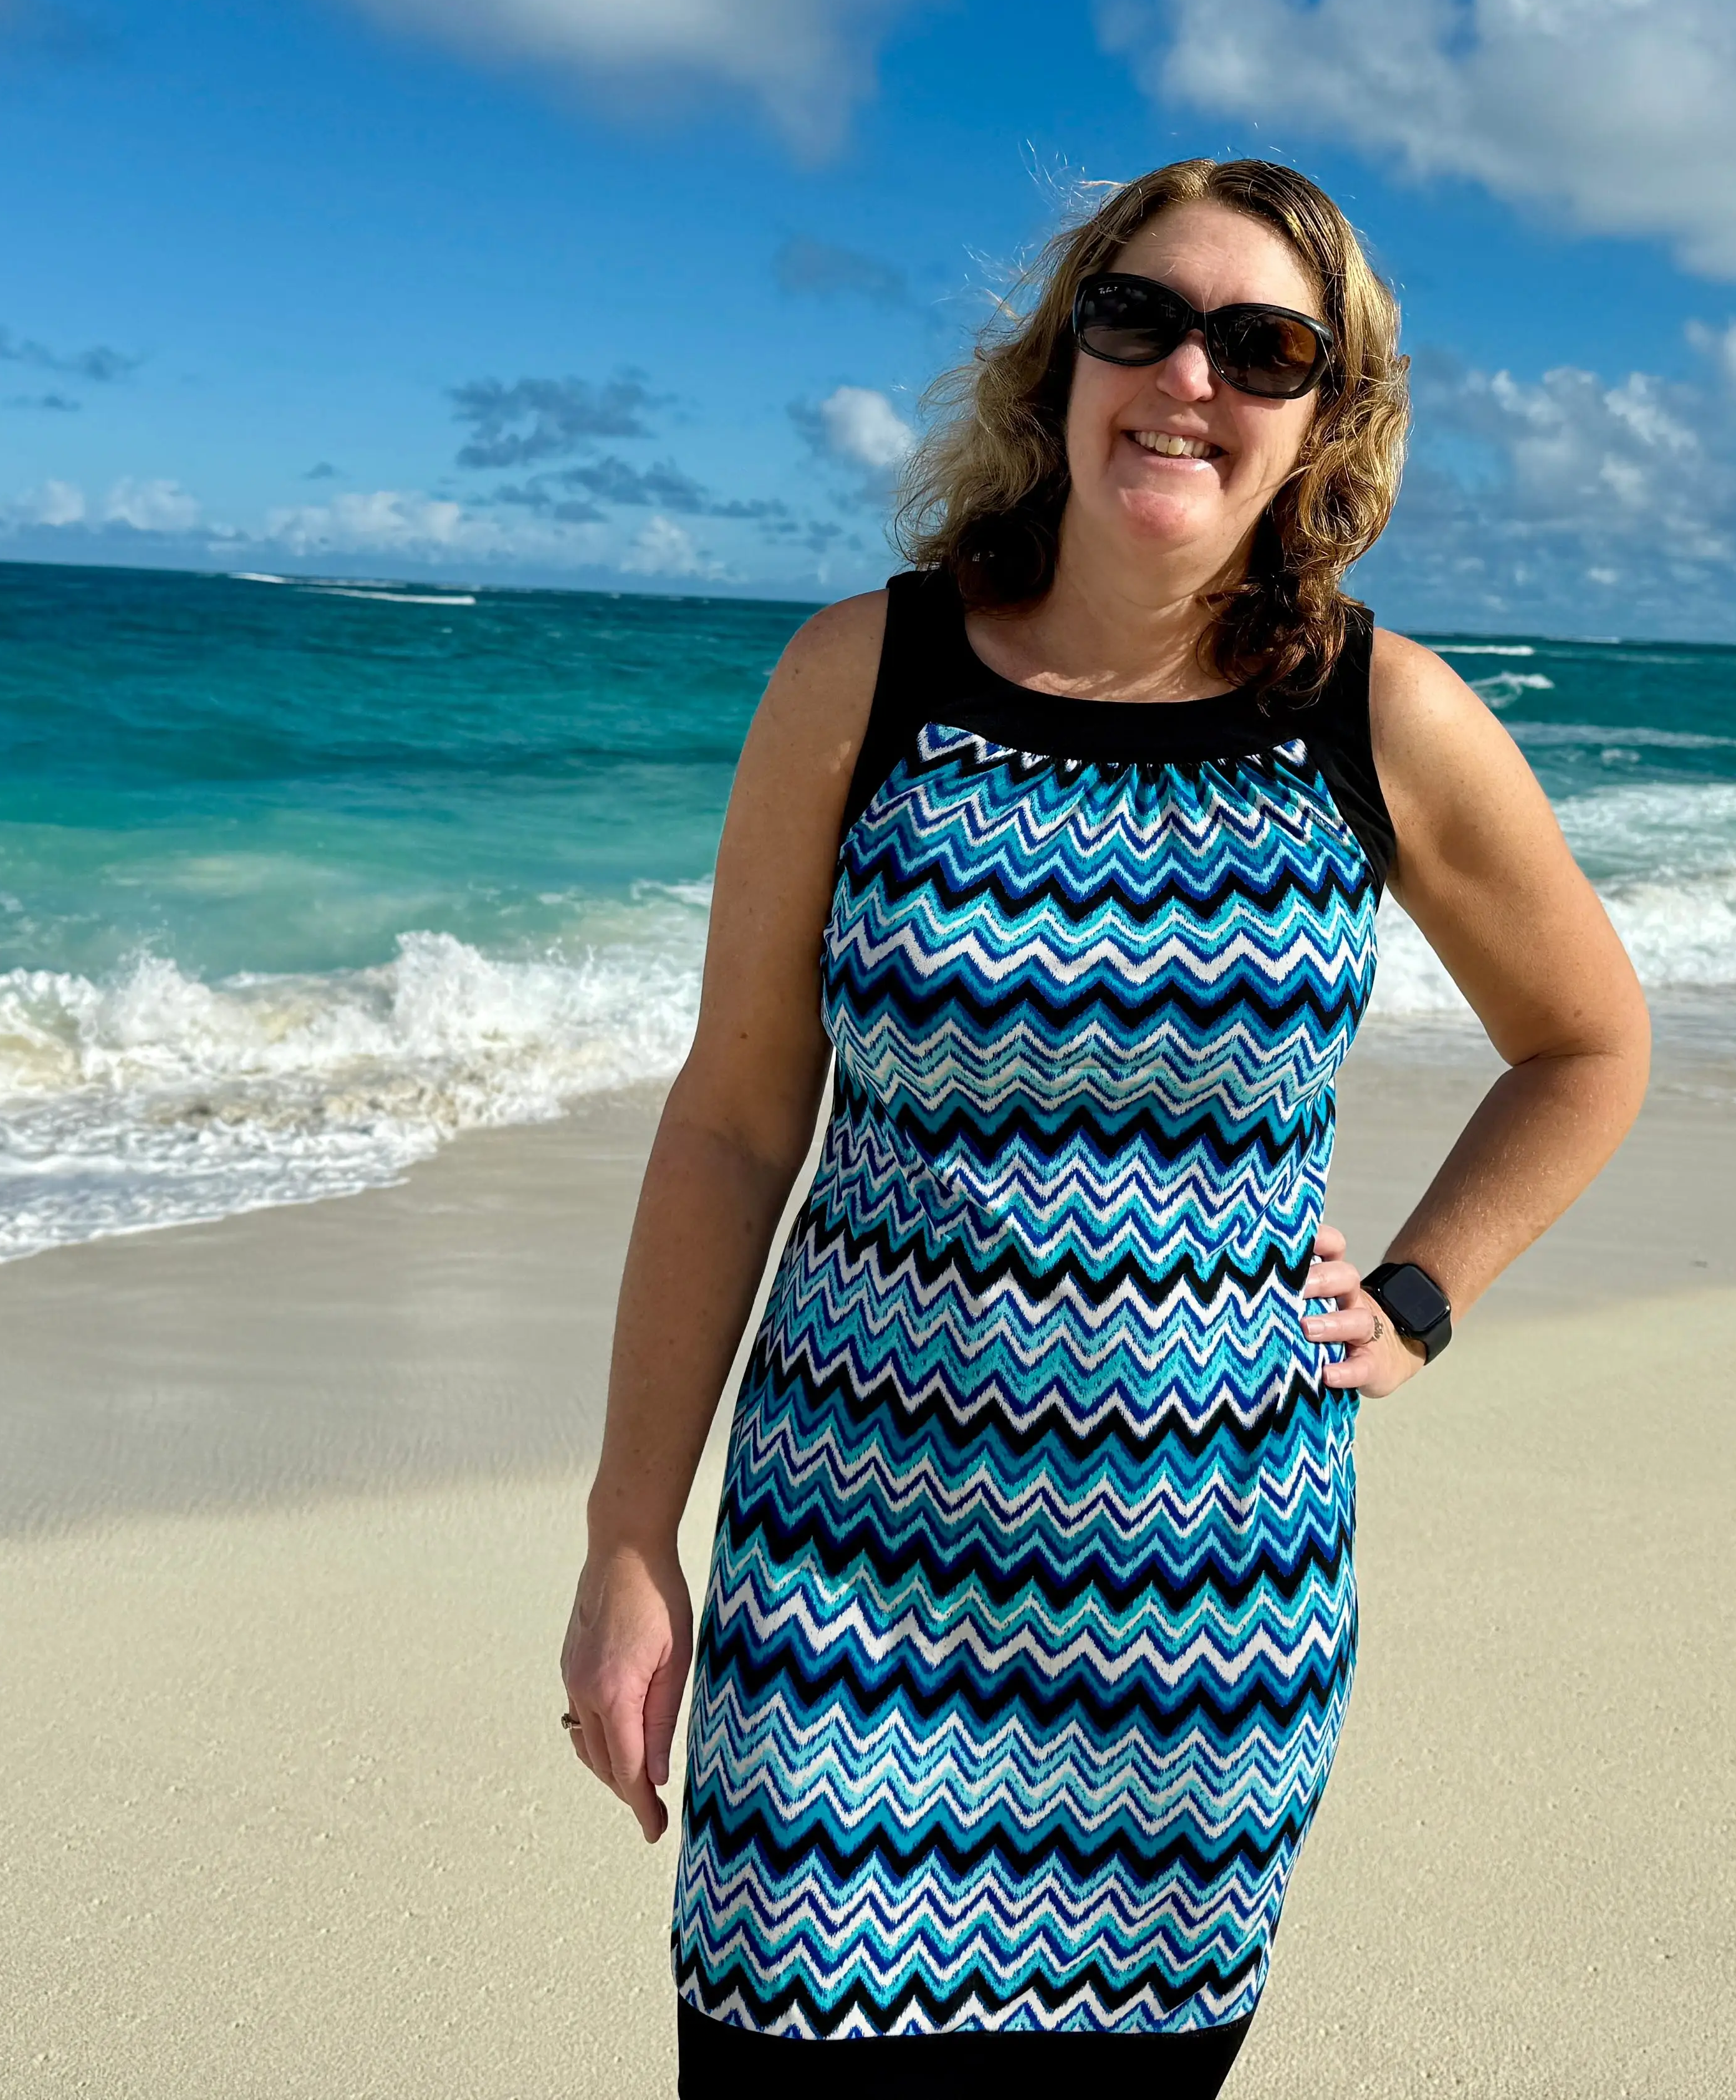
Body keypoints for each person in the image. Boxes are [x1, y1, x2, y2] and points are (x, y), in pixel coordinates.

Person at [558, 157, 1648, 2096]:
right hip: (841, 1600)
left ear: (1328, 414)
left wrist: (1417, 1294)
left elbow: (1582, 1043)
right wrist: (631, 1537)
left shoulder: (1374, 719)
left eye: (1263, 345)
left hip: (1197, 1649)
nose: (1187, 377)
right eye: (1135, 317)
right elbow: (733, 1118)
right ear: (1059, 363)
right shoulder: (862, 676)